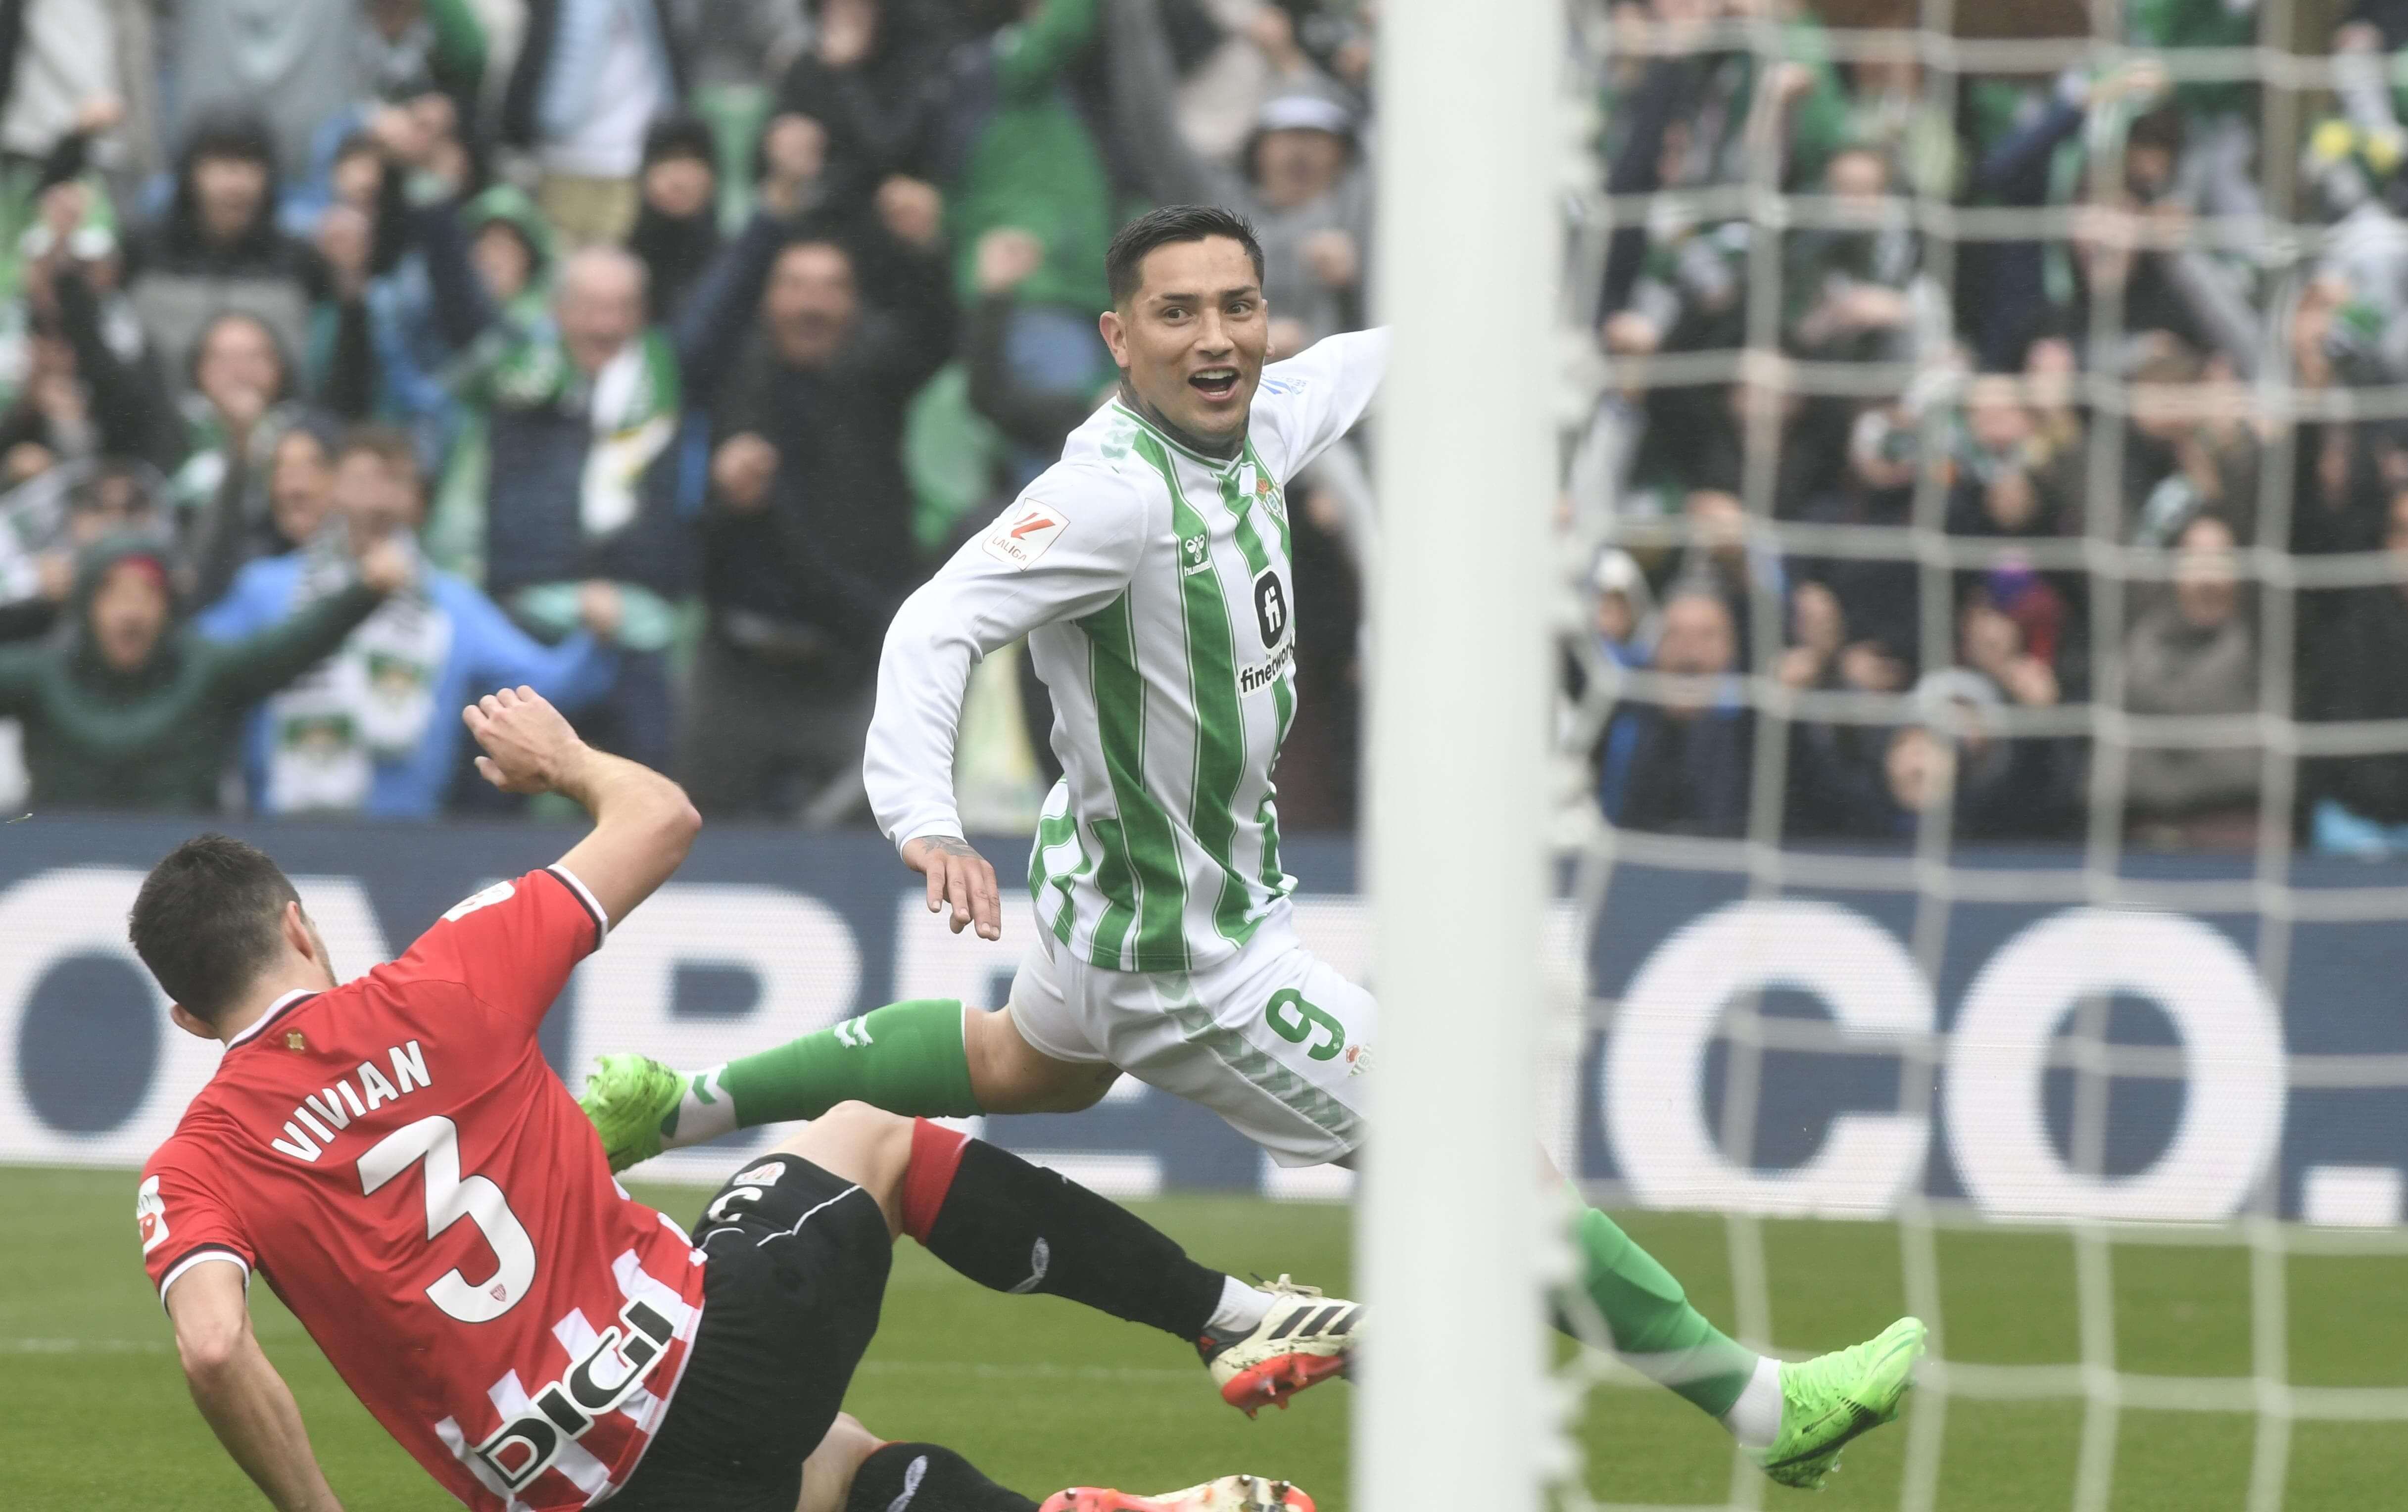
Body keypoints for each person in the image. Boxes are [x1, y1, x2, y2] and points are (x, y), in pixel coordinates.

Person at [586, 205, 1923, 1488]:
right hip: (1188, 959)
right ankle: (1768, 1409)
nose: (1213, 336)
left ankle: (676, 1103)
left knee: (1019, 1063)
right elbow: (935, 625)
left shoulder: (1264, 419)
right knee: (1475, 1159)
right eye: (1176, 314)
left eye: (1236, 306)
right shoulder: (1107, 498)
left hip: (1111, 889)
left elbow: (1353, 366)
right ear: (1120, 336)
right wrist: (922, 814)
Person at [131, 687, 1328, 1512]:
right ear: (301, 924)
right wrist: (568, 763)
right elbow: (660, 816)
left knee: (836, 1469)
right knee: (868, 1136)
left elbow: (216, 1343)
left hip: (582, 1494)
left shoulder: (192, 1169)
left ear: (188, 1018)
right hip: (697, 1369)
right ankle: (1224, 1316)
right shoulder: (439, 975)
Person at [196, 426, 619, 818]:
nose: (377, 496)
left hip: (404, 839)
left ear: (417, 500)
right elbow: (195, 671)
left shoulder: (453, 605)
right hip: (278, 830)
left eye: (395, 480)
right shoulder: (266, 589)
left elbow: (545, 687)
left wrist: (595, 636)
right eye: (363, 478)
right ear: (333, 487)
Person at [0, 529, 410, 809]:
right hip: (58, 861)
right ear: (86, 605)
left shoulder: (204, 670)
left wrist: (363, 592)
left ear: (169, 607)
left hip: (182, 881)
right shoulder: (43, 675)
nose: (131, 610)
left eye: (148, 593)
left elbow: (288, 648)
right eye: (112, 592)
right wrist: (33, 605)